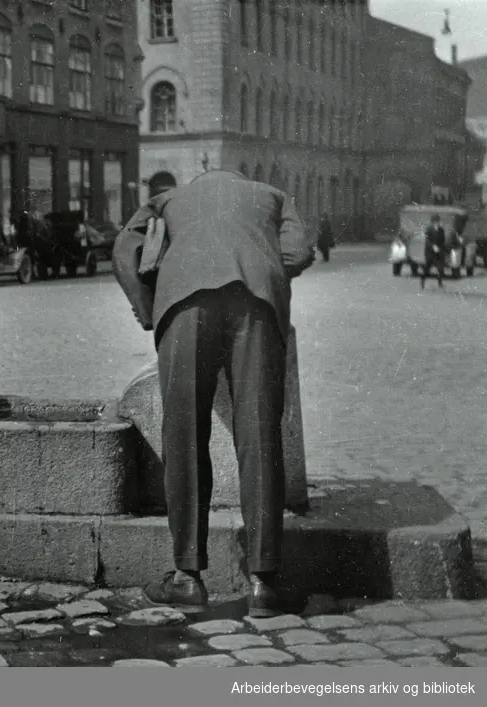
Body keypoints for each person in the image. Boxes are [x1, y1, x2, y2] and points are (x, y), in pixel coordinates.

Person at [111, 169, 315, 618]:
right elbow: (299, 249)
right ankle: (264, 583)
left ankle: (186, 577)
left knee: (183, 434)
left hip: (183, 303)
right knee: (261, 437)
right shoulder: (276, 193)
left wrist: (147, 310)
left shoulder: (167, 199)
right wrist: (259, 265)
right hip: (255, 303)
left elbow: (124, 249)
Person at [420, 213, 446, 290]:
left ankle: (440, 283)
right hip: (429, 252)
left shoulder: (441, 229)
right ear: (433, 222)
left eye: (438, 221)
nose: (437, 222)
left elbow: (443, 240)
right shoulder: (429, 229)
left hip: (438, 252)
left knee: (440, 268)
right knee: (427, 269)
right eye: (436, 221)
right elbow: (427, 240)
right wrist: (433, 246)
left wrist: (441, 249)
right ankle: (422, 282)